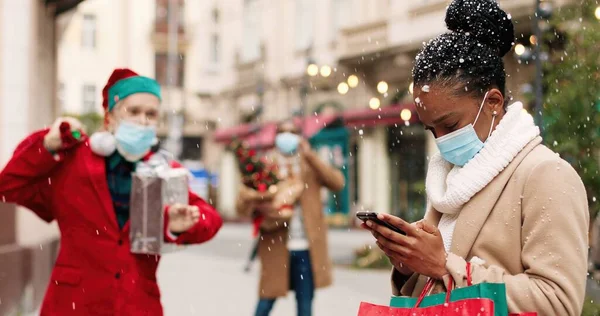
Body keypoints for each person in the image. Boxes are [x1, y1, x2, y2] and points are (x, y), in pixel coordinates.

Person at [362, 1, 589, 315]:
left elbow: (558, 303)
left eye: (450, 125)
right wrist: (409, 265)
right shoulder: (452, 179)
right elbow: (439, 292)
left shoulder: (546, 175)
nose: (442, 141)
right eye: (431, 130)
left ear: (493, 101)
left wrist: (444, 265)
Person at [0, 68, 223, 316]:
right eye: (133, 111)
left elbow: (211, 219)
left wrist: (182, 224)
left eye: (151, 114)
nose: (143, 120)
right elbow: (9, 185)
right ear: (109, 119)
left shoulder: (164, 170)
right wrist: (47, 144)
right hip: (73, 304)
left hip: (136, 304)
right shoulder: (73, 161)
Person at [236, 120, 345, 316]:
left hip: (306, 248)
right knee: (266, 300)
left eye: (292, 132)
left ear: (299, 137)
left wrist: (310, 154)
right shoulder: (266, 165)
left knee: (305, 304)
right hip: (275, 244)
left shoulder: (308, 164)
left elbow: (336, 183)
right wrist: (261, 203)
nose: (288, 136)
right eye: (283, 132)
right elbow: (241, 205)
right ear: (276, 137)